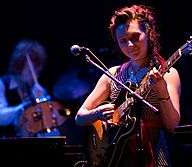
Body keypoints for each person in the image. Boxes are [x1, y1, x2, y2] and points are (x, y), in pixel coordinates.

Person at [75, 4, 181, 167]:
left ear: (149, 33)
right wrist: (96, 113)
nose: (130, 45)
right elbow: (80, 117)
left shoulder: (168, 73)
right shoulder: (113, 74)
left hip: (154, 156)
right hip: (115, 158)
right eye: (123, 41)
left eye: (135, 37)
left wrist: (162, 91)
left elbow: (172, 126)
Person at [0, 39, 67, 137]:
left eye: (38, 69)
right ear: (19, 65)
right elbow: (0, 117)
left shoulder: (36, 89)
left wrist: (43, 103)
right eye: (31, 70)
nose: (37, 73)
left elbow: (48, 128)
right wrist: (26, 106)